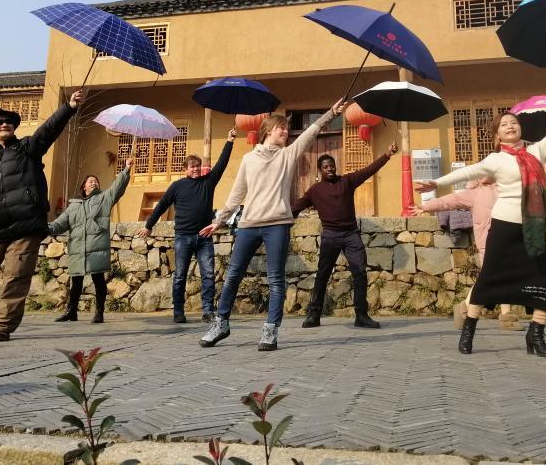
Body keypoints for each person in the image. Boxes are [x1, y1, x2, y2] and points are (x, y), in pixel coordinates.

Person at [415, 88, 546, 358]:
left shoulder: (537, 151)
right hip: (504, 227)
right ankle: (469, 329)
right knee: (489, 278)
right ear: (497, 135)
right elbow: (468, 172)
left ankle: (536, 334)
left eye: (513, 122)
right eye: (504, 124)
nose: (510, 126)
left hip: (532, 227)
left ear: (520, 129)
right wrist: (435, 183)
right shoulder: (496, 160)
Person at [198, 99, 347, 352]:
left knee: (276, 279)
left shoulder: (288, 155)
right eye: (282, 128)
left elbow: (311, 133)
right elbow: (236, 194)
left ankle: (270, 330)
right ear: (268, 130)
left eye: (287, 129)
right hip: (248, 225)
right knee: (233, 275)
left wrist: (331, 113)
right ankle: (221, 324)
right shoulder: (248, 159)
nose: (286, 132)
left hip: (277, 224)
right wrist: (219, 220)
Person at [0, 91, 83, 342]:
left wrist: (68, 107)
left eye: (8, 121)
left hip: (26, 225)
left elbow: (48, 130)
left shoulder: (27, 148)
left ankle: (1, 327)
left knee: (15, 277)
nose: (5, 124)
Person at [410, 158, 546, 332]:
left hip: (508, 240)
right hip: (487, 242)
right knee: (491, 277)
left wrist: (542, 177)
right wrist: (425, 207)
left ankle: (502, 314)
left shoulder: (507, 189)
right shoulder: (475, 193)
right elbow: (449, 200)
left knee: (503, 275)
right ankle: (467, 307)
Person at [292, 141, 398, 329]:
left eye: (332, 166)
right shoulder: (315, 191)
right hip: (330, 236)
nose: (330, 169)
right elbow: (296, 207)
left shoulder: (347, 182)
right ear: (320, 171)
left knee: (360, 273)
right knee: (323, 274)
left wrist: (387, 154)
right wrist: (275, 219)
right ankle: (314, 315)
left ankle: (361, 315)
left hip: (351, 235)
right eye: (326, 167)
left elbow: (368, 170)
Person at [136, 127, 236, 324]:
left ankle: (207, 311)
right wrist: (149, 225)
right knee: (180, 275)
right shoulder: (177, 186)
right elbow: (162, 205)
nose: (195, 169)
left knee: (208, 275)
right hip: (183, 237)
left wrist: (229, 141)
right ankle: (178, 311)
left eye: (197, 166)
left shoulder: (208, 182)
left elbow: (222, 164)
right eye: (192, 167)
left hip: (204, 237)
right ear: (185, 169)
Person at [49, 158, 132, 324]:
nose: (94, 183)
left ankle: (99, 312)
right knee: (76, 281)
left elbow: (117, 188)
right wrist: (42, 228)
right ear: (84, 187)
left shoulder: (103, 198)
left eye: (96, 181)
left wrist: (126, 170)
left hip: (96, 247)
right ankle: (71, 311)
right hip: (78, 248)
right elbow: (59, 224)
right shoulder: (73, 206)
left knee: (98, 279)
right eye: (90, 181)